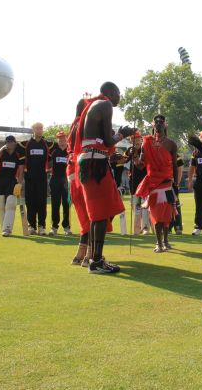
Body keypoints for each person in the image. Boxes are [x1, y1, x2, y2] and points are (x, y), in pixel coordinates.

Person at [74, 82, 135, 274]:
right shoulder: (106, 104)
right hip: (95, 164)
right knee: (100, 214)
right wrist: (123, 134)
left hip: (90, 162)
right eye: (118, 92)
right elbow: (109, 141)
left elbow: (100, 139)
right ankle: (96, 261)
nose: (119, 97)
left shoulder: (94, 106)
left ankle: (95, 258)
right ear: (110, 92)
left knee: (99, 213)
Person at [135, 115, 178, 253]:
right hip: (154, 184)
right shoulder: (146, 142)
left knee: (167, 215)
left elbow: (175, 166)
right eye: (156, 122)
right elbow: (141, 166)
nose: (159, 124)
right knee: (157, 216)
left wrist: (175, 183)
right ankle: (159, 243)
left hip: (167, 184)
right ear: (153, 124)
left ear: (165, 125)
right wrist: (135, 158)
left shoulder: (171, 144)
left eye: (161, 122)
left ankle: (165, 240)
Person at [66, 99, 92, 266]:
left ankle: (81, 254)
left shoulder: (74, 126)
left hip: (73, 173)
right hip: (84, 172)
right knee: (94, 215)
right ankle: (91, 253)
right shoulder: (84, 125)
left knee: (85, 215)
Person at [18, 122, 55, 235]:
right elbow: (21, 164)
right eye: (37, 128)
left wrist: (50, 170)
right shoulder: (25, 144)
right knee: (30, 202)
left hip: (42, 178)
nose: (40, 130)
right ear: (33, 129)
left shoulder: (48, 145)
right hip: (29, 179)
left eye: (41, 128)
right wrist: (19, 181)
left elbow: (54, 159)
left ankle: (42, 227)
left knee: (42, 202)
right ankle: (32, 226)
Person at [0, 135, 25, 237]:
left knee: (11, 202)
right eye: (7, 142)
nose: (9, 144)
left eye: (11, 142)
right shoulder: (1, 153)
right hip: (0, 180)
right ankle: (4, 228)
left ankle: (7, 228)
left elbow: (21, 170)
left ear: (15, 143)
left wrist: (19, 183)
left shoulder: (19, 154)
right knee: (0, 203)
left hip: (12, 180)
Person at [125, 132, 151, 235]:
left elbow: (140, 165)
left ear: (141, 139)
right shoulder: (129, 150)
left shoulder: (146, 149)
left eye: (138, 139)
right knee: (135, 205)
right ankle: (137, 227)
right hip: (133, 181)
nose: (136, 141)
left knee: (144, 205)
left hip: (144, 181)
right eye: (133, 139)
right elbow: (124, 159)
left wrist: (136, 156)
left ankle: (146, 227)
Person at [187, 131, 202, 236]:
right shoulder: (196, 153)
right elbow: (192, 167)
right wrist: (190, 180)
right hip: (199, 181)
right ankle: (198, 227)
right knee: (199, 206)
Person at [49, 131, 71, 235]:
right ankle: (54, 227)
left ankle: (67, 227)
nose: (62, 141)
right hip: (55, 180)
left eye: (64, 139)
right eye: (60, 139)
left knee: (66, 204)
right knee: (55, 204)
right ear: (57, 140)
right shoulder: (53, 150)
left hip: (67, 181)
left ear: (67, 139)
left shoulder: (70, 151)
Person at [170, 154, 184, 235]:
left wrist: (177, 183)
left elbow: (180, 168)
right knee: (166, 206)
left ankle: (178, 226)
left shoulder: (176, 155)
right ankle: (168, 227)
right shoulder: (160, 152)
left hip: (173, 184)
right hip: (163, 183)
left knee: (176, 205)